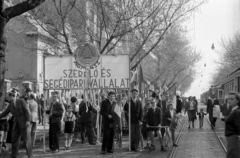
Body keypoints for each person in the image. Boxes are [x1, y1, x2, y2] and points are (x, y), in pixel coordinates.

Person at [0, 89, 32, 158]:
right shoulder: (10, 105)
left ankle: (30, 155)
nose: (6, 98)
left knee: (27, 140)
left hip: (24, 123)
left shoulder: (21, 101)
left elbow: (27, 111)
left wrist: (28, 121)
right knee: (14, 140)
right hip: (16, 124)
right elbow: (4, 113)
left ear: (11, 96)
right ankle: (14, 155)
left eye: (7, 96)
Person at [225, 92, 240, 158]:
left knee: (233, 156)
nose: (229, 100)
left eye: (232, 99)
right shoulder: (233, 110)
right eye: (228, 99)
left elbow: (239, 125)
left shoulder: (236, 112)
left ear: (237, 100)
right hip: (230, 138)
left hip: (233, 138)